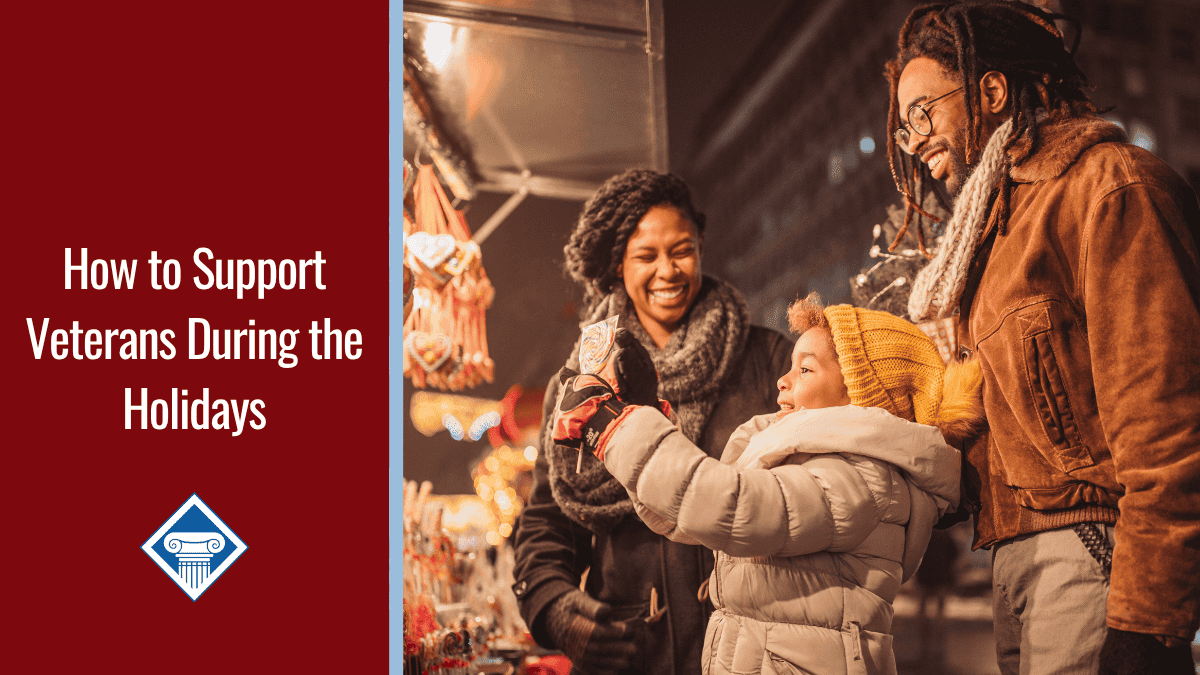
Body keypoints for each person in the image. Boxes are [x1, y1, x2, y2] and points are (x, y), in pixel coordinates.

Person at [887, 2, 1200, 673]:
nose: (912, 141)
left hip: (1091, 553)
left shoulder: (1106, 187)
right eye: (902, 125)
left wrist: (1144, 622)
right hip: (1014, 557)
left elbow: (1167, 429)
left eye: (922, 113)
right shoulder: (991, 236)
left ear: (991, 92)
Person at [550, 296, 981, 674]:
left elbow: (733, 507)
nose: (783, 380)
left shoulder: (861, 476)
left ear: (860, 396)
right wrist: (640, 414)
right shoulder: (805, 459)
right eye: (789, 366)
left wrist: (613, 427)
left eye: (805, 368)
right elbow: (691, 516)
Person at [511, 169, 793, 675]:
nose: (668, 271)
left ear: (701, 246)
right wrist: (553, 605)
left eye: (681, 249)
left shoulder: (770, 361)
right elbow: (548, 520)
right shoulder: (579, 384)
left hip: (755, 649)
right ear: (618, 266)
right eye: (646, 256)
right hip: (632, 651)